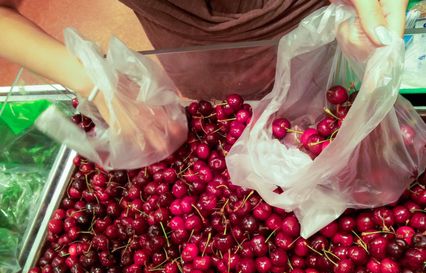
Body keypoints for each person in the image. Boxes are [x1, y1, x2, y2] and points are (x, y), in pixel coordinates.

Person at [0, 0, 408, 106]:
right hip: (183, 39)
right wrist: (89, 80)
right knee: (218, 101)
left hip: (310, 25)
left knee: (323, 97)